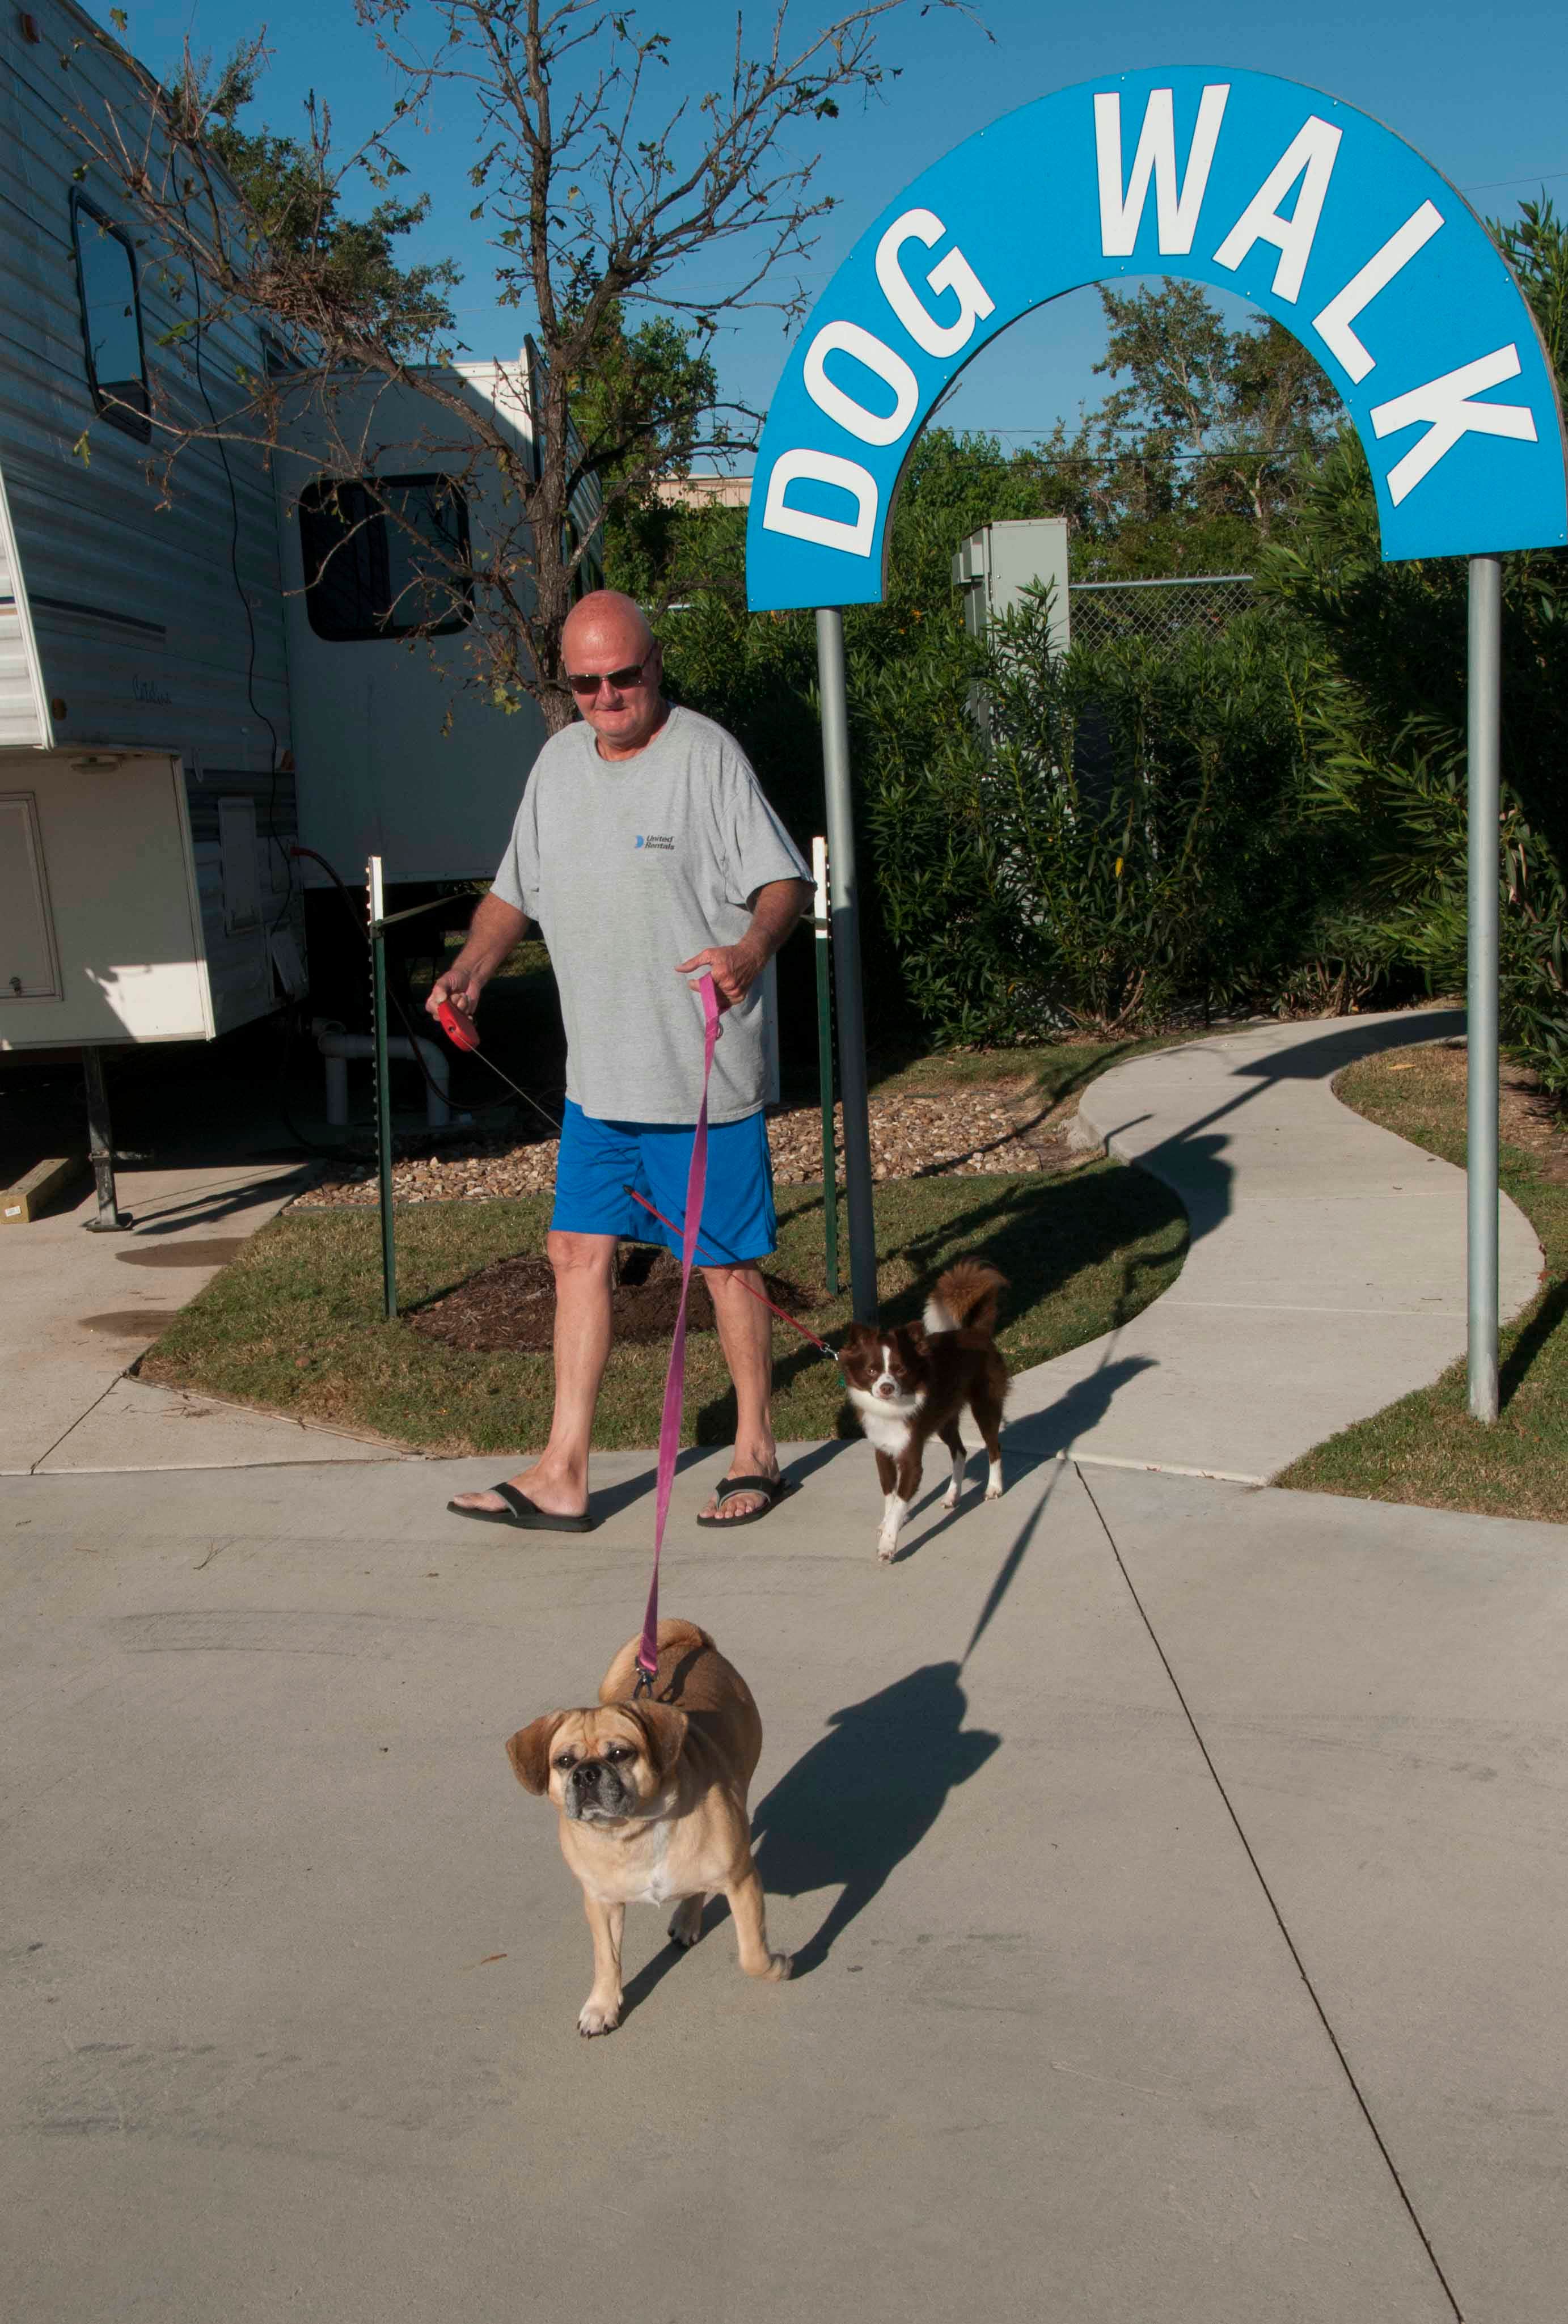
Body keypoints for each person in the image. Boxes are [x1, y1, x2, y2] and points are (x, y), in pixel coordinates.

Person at [432, 589, 813, 1531]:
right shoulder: (558, 765)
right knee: (575, 1255)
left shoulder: (705, 756)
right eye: (587, 682)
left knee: (724, 1267)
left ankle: (754, 1448)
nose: (608, 696)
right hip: (599, 1086)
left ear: (654, 666)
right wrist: (474, 968)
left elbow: (780, 883)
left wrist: (748, 953)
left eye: (624, 676)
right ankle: (564, 1470)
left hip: (698, 1082)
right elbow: (511, 893)